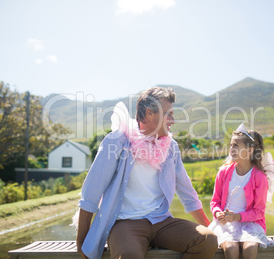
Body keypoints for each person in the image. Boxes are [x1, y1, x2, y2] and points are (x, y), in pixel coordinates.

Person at [75, 87, 218, 259]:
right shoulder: (117, 141)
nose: (172, 120)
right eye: (168, 114)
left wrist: (212, 229)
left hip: (161, 221)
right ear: (149, 113)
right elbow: (91, 192)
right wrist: (82, 242)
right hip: (125, 223)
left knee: (207, 240)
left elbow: (187, 193)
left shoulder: (170, 146)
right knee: (129, 255)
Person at [208, 124, 274, 259]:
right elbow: (214, 202)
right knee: (231, 248)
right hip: (226, 225)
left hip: (251, 224)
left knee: (250, 247)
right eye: (231, 145)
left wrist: (237, 217)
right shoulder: (223, 172)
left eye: (236, 146)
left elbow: (259, 212)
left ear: (250, 150)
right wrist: (218, 213)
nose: (231, 149)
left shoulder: (259, 177)